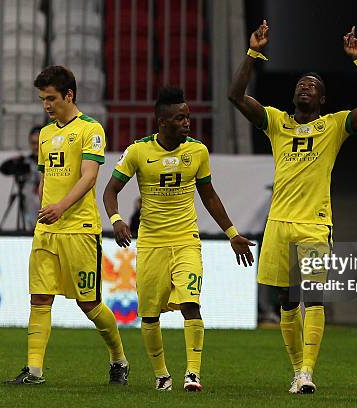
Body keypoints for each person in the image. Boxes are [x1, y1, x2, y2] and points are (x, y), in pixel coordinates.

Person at [228, 21, 357, 394]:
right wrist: (253, 52)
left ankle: (308, 371)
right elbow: (235, 95)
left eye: (313, 86)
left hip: (315, 224)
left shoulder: (333, 126)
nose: (305, 86)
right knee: (286, 300)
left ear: (322, 101)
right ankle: (297, 369)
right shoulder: (277, 123)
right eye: (301, 83)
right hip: (279, 223)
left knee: (313, 295)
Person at [103, 87, 255, 392]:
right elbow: (110, 191)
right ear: (162, 122)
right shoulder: (138, 152)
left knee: (191, 303)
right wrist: (117, 220)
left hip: (187, 239)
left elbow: (209, 195)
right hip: (151, 244)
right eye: (180, 118)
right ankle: (162, 375)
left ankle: (193, 374)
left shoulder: (197, 151)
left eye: (188, 116)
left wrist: (232, 233)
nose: (187, 122)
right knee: (148, 315)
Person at [5, 65, 129, 385]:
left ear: (69, 95)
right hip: (48, 228)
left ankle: (118, 359)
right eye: (42, 99)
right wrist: (45, 205)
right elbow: (47, 175)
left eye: (51, 98)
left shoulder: (91, 129)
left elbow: (89, 177)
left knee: (88, 303)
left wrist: (61, 206)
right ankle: (34, 371)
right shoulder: (45, 134)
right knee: (40, 297)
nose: (46, 105)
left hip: (79, 228)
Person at [23, 126, 43, 230]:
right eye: (33, 143)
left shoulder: (53, 163)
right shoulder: (26, 162)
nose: (35, 147)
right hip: (31, 215)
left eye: (38, 143)